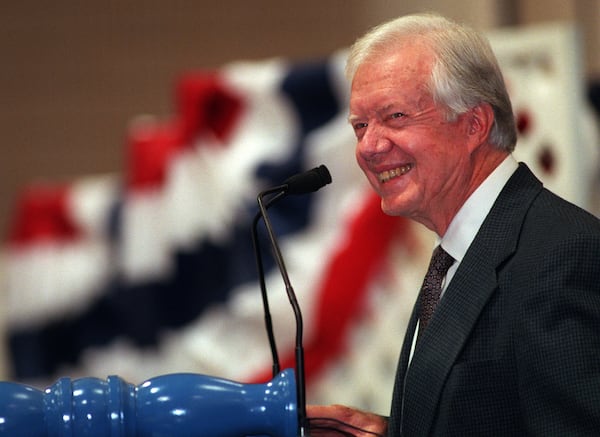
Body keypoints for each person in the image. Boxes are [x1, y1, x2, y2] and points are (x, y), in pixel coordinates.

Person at [307, 12, 600, 436]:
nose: (369, 147)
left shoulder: (561, 258)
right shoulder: (456, 254)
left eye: (395, 117)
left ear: (474, 125)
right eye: (360, 126)